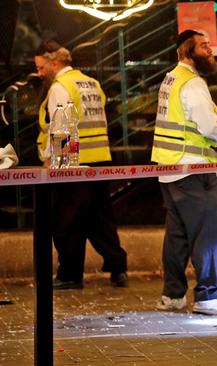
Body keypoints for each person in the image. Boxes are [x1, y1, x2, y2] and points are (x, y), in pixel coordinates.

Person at [151, 29, 217, 315]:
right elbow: (208, 127)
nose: (210, 51)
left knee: (177, 236)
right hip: (194, 169)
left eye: (209, 46)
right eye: (203, 47)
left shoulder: (171, 79)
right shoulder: (192, 83)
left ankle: (173, 295)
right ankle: (207, 296)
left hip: (171, 169)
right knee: (204, 234)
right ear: (185, 52)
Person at [34, 40, 128, 289]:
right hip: (100, 157)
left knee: (66, 221)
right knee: (101, 218)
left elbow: (62, 127)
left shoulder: (60, 87)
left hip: (74, 162)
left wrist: (54, 161)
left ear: (55, 63)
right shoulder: (92, 83)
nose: (40, 73)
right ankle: (118, 267)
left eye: (42, 67)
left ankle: (70, 274)